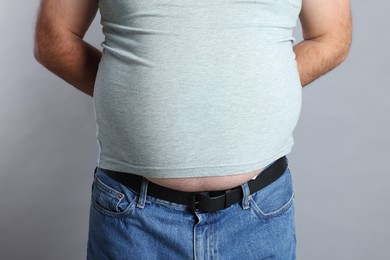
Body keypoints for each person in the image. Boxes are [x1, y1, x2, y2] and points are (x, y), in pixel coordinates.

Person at [33, 0, 352, 259]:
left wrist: (258, 88)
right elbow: (53, 38)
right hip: (133, 218)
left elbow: (332, 35)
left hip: (259, 213)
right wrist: (128, 94)